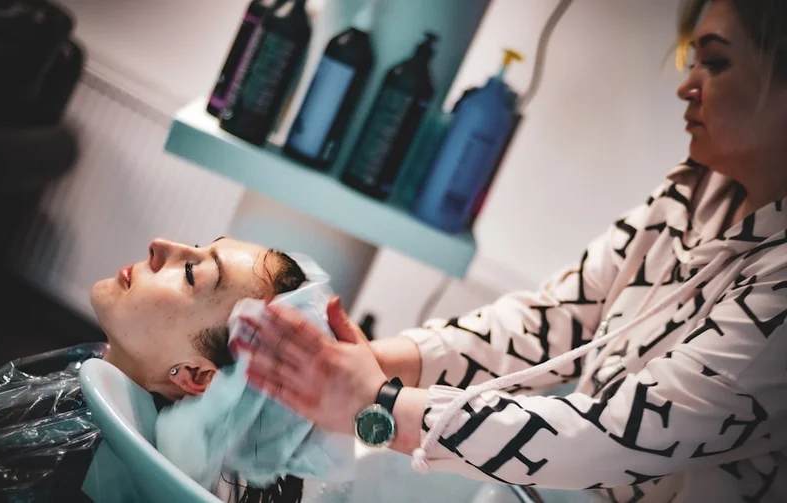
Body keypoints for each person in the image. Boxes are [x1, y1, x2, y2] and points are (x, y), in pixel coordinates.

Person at [236, 1, 787, 502]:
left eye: (714, 63)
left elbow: (624, 434)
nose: (686, 86)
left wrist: (373, 401)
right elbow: (549, 320)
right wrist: (366, 363)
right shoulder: (692, 191)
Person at [90, 236, 308, 503]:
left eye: (190, 274)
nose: (160, 244)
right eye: (196, 247)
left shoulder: (87, 473)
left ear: (195, 375)